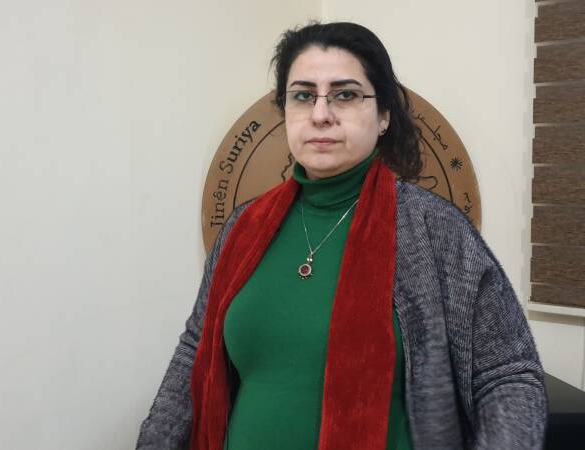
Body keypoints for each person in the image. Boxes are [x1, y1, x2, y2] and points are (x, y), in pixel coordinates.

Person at [136, 21, 547, 450]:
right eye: (303, 95)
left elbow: (509, 375)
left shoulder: (436, 231)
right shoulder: (243, 228)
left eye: (345, 95)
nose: (320, 114)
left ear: (384, 115)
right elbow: (195, 351)